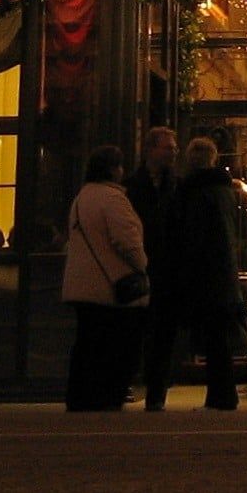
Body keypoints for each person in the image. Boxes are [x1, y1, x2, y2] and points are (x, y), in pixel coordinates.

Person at [148, 136, 242, 412]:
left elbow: (192, 236)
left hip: (201, 274)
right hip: (222, 271)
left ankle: (218, 396)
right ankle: (223, 394)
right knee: (218, 336)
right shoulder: (225, 190)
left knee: (200, 335)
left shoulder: (193, 192)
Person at [62, 144, 150, 411]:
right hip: (110, 286)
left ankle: (80, 397)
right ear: (113, 169)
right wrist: (142, 265)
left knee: (87, 343)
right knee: (116, 345)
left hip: (81, 285)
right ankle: (107, 396)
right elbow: (126, 241)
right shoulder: (113, 199)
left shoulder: (81, 198)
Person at [127, 126, 181, 402]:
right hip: (139, 266)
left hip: (169, 269)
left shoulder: (177, 186)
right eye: (168, 147)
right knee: (138, 329)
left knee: (164, 331)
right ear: (150, 150)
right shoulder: (131, 187)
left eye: (174, 148)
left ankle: (157, 390)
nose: (174, 152)